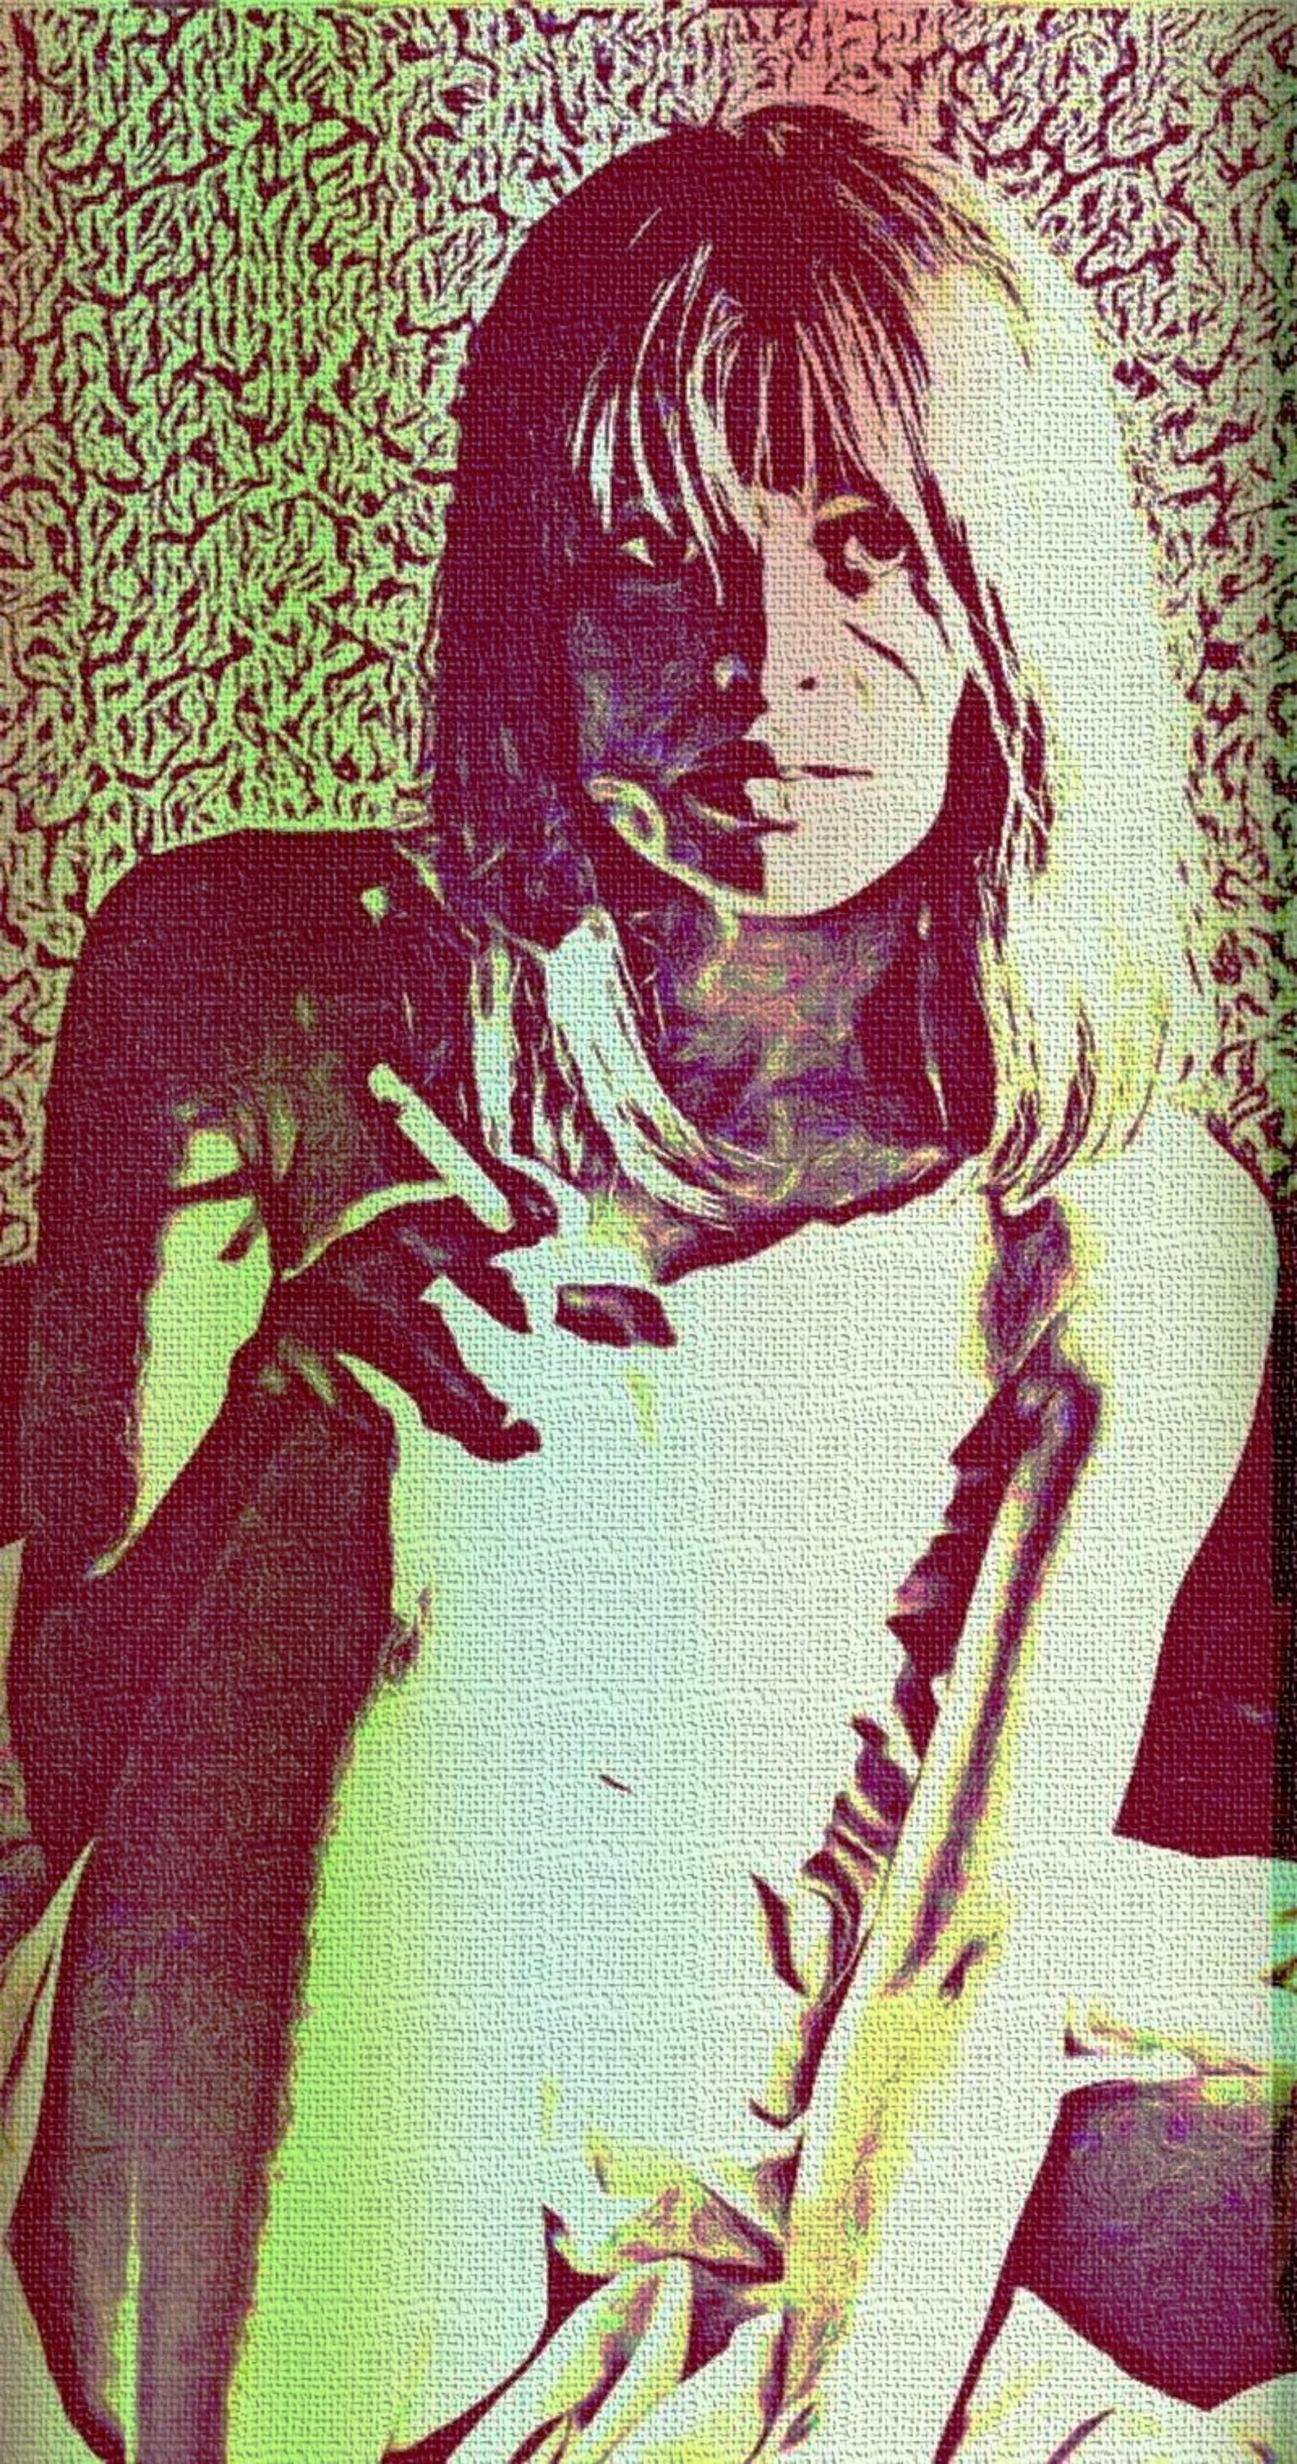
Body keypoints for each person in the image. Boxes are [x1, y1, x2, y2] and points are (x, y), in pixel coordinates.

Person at [1, 105, 1289, 2463]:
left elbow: (962, 1939)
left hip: (750, 2044)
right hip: (254, 2035)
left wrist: (823, 2421)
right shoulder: (233, 974)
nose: (759, 673)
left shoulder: (1109, 1223)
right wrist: (297, 1410)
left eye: (866, 546)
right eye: (644, 560)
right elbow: (72, 1742)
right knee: (432, 1476)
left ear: (1008, 594)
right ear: (528, 606)